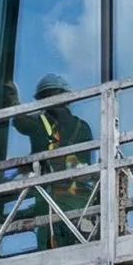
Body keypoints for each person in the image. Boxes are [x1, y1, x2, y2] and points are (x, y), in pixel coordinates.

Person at [16, 74, 97, 249]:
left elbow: (19, 121)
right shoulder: (82, 127)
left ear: (42, 100)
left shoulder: (39, 122)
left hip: (51, 200)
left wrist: (10, 99)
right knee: (81, 248)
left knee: (49, 248)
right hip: (80, 200)